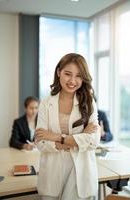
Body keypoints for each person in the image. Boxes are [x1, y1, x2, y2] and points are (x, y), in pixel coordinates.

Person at [35, 53, 101, 200]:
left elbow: (93, 141)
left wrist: (57, 137)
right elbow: (41, 142)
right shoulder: (46, 103)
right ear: (59, 72)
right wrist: (79, 139)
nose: (72, 81)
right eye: (67, 74)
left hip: (80, 175)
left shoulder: (89, 103)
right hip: (52, 173)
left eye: (78, 76)